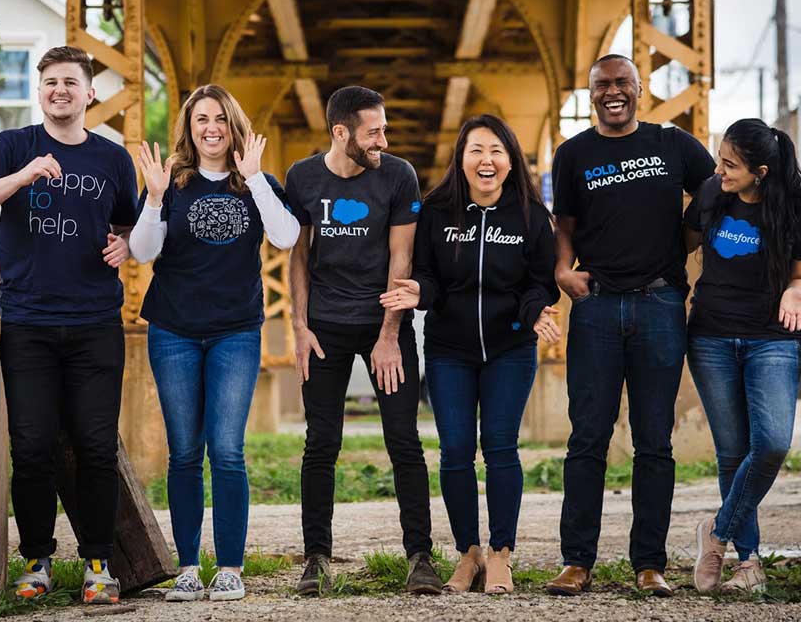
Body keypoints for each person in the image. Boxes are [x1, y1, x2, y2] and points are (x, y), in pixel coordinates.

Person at [545, 54, 801, 599]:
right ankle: (576, 561)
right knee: (587, 439)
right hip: (598, 306)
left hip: (660, 306)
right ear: (590, 93)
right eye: (602, 85)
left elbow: (742, 180)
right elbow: (566, 222)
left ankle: (648, 563)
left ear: (639, 88)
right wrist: (562, 268)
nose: (613, 92)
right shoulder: (573, 153)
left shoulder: (674, 144)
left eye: (622, 83)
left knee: (655, 441)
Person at [0, 46, 138, 606]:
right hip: (28, 322)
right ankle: (36, 561)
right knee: (31, 446)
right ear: (41, 92)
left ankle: (98, 565)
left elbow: (131, 222)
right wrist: (23, 175)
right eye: (50, 82)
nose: (59, 90)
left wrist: (126, 244)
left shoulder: (112, 159)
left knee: (96, 446)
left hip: (95, 324)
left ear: (89, 94)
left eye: (70, 82)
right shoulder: (14, 147)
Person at [127, 85, 299, 602]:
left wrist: (256, 180)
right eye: (202, 119)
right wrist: (153, 197)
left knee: (226, 451)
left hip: (235, 332)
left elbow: (287, 237)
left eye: (221, 119)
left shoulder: (256, 184)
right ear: (189, 127)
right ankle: (186, 567)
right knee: (184, 453)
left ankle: (229, 567)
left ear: (234, 126)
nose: (211, 128)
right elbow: (142, 252)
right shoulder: (171, 184)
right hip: (174, 330)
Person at [380, 115, 561, 594]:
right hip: (449, 351)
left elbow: (537, 282)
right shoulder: (437, 212)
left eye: (497, 151)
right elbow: (431, 277)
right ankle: (469, 553)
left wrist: (537, 311)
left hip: (510, 348)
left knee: (500, 447)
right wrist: (418, 290)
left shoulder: (530, 215)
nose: (487, 160)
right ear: (461, 159)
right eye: (476, 150)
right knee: (456, 451)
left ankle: (501, 552)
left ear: (510, 160)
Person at [285, 85, 443, 596]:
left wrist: (390, 335)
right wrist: (300, 328)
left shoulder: (397, 175)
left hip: (383, 322)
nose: (383, 139)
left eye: (384, 130)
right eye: (373, 131)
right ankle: (317, 559)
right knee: (320, 444)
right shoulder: (303, 177)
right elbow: (299, 256)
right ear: (340, 132)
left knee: (404, 442)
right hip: (325, 327)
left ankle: (420, 557)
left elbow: (402, 258)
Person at [685, 119, 801, 594]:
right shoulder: (711, 194)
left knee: (770, 444)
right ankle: (748, 563)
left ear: (761, 172)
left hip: (773, 339)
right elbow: (680, 245)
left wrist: (793, 290)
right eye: (720, 158)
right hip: (710, 338)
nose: (719, 170)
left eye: (730, 164)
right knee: (731, 454)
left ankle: (717, 534)